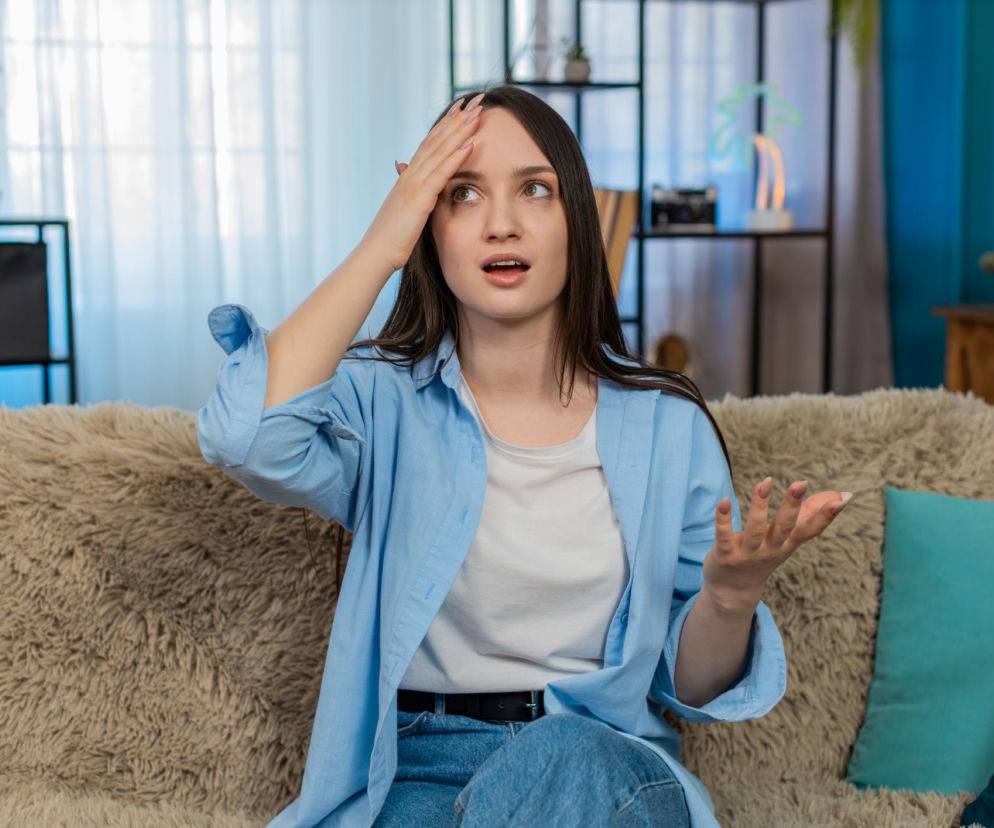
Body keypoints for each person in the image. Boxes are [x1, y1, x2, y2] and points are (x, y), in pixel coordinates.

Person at [197, 85, 852, 827]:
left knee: (565, 754)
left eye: (535, 190)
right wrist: (384, 243)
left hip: (604, 766)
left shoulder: (668, 426)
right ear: (427, 229)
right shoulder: (383, 404)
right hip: (417, 771)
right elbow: (247, 437)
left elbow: (692, 689)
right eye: (462, 195)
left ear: (575, 219)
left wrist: (732, 596)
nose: (501, 225)